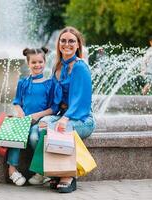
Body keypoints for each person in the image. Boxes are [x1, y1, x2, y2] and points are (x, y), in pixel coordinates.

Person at [37, 26, 96, 193]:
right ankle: (54, 172)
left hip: (82, 118)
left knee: (61, 129)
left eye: (71, 41)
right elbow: (53, 103)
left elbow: (81, 100)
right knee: (38, 130)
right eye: (63, 40)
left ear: (78, 45)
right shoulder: (57, 68)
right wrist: (35, 114)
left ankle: (69, 175)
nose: (67, 44)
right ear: (59, 44)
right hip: (62, 115)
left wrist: (65, 118)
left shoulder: (80, 67)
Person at [8, 47, 59, 186]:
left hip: (39, 122)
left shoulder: (50, 84)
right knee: (16, 134)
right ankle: (12, 169)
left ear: (45, 62)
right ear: (28, 64)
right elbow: (17, 102)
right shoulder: (23, 83)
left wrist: (38, 115)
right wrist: (20, 112)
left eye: (40, 62)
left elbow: (53, 108)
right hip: (24, 120)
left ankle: (41, 171)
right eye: (34, 62)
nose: (37, 65)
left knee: (34, 137)